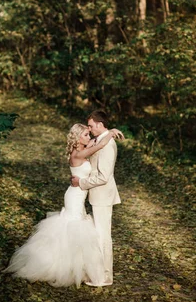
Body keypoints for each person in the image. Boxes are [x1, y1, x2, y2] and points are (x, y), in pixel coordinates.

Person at [4, 123, 123, 287]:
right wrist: (111, 132)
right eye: (86, 135)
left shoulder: (79, 150)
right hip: (75, 196)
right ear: (78, 138)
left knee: (75, 230)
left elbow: (95, 143)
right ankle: (56, 266)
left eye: (89, 134)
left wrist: (98, 135)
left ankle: (76, 267)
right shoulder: (78, 154)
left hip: (77, 194)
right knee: (73, 230)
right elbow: (100, 144)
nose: (90, 138)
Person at [71, 110, 121, 287]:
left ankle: (104, 277)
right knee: (98, 236)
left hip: (103, 196)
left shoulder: (107, 144)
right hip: (97, 196)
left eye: (91, 126)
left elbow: (103, 177)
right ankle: (97, 273)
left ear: (100, 124)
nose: (90, 130)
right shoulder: (100, 140)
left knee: (103, 237)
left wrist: (82, 182)